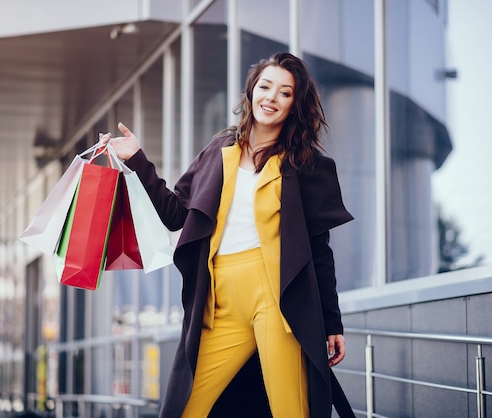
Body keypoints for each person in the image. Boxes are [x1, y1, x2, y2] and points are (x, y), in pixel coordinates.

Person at [102, 52, 355, 418]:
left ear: (294, 105)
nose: (271, 97)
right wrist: (137, 159)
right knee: (185, 405)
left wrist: (332, 322)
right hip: (221, 297)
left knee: (291, 409)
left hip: (276, 297)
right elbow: (176, 215)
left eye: (285, 93)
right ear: (252, 92)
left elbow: (319, 250)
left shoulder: (305, 165)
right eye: (265, 86)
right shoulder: (220, 150)